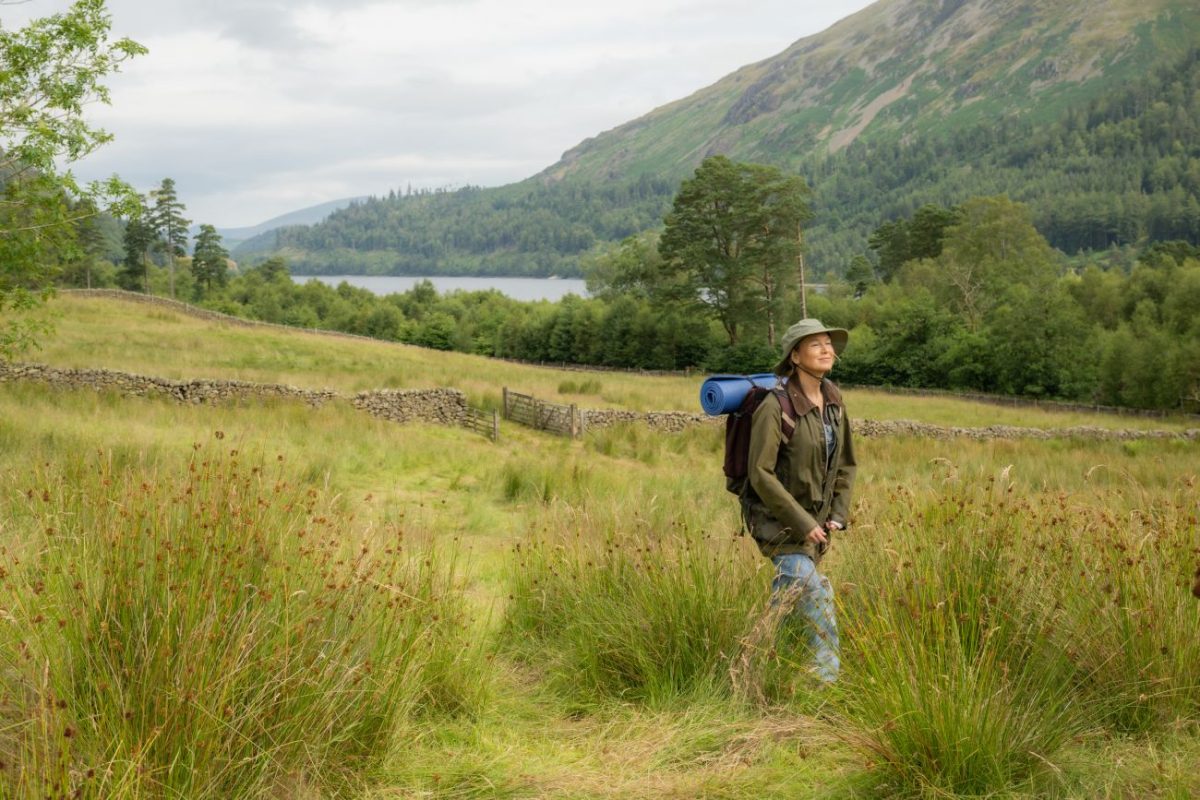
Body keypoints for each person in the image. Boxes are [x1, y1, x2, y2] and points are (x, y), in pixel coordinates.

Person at [741, 318, 856, 683]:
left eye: (829, 344)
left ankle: (758, 671)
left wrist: (837, 513)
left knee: (789, 605)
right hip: (778, 524)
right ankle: (826, 687)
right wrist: (803, 523)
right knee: (818, 597)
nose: (827, 350)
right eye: (815, 344)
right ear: (794, 356)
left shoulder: (835, 403)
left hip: (817, 526)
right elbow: (759, 473)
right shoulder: (775, 407)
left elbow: (846, 464)